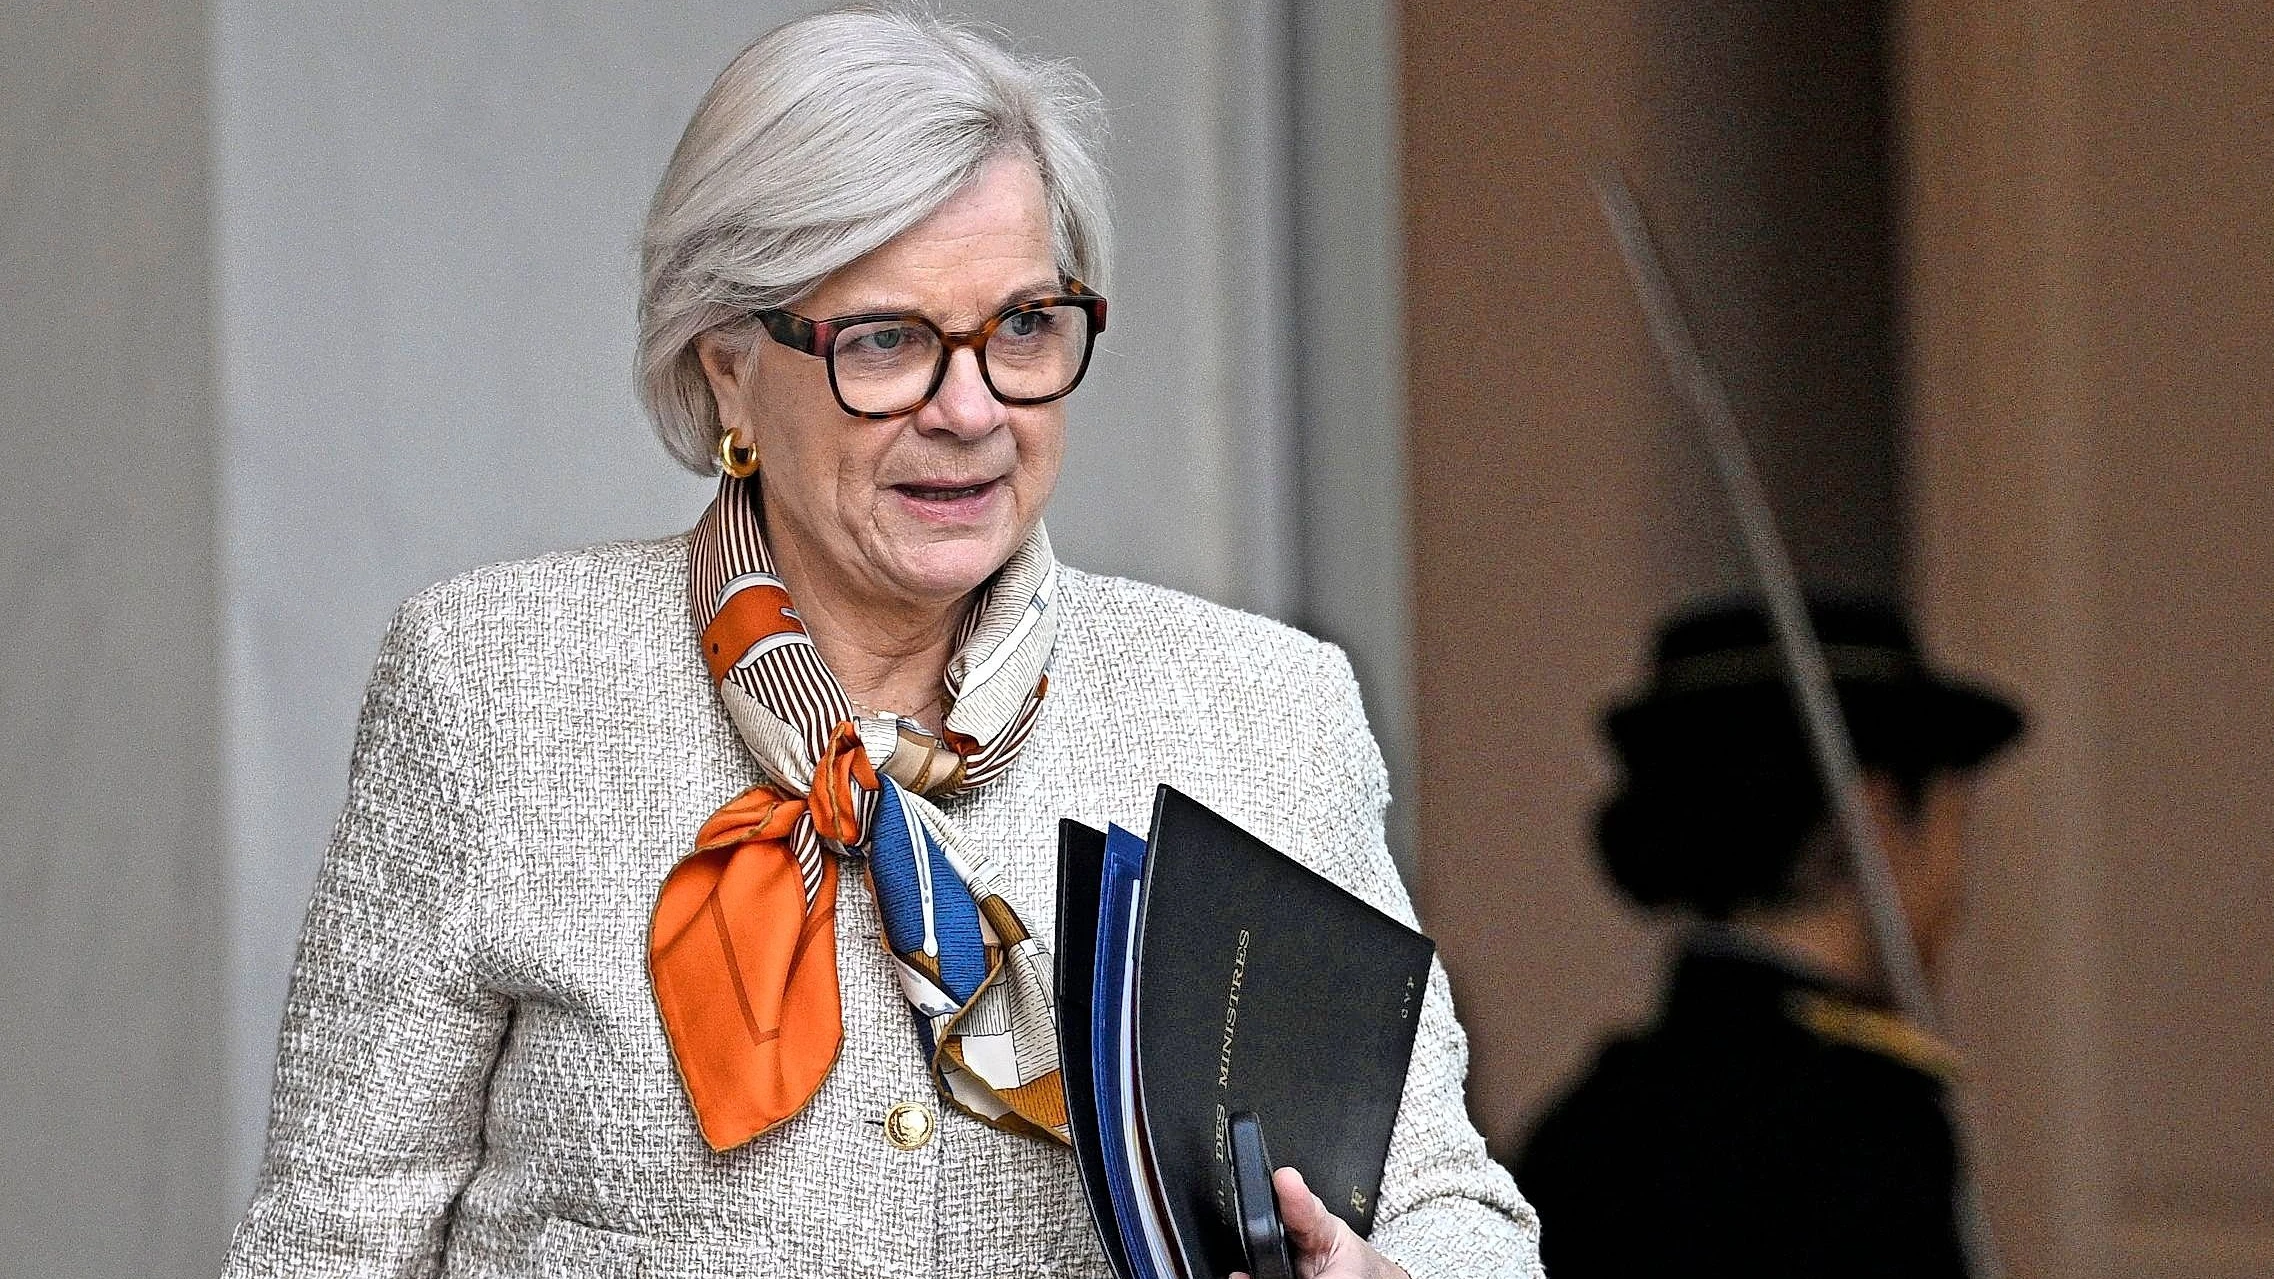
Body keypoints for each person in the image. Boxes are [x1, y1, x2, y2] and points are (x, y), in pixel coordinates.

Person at [219, 7, 1537, 1277]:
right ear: (725, 362)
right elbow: (330, 1243)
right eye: (889, 339)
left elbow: (1445, 1197)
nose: (970, 408)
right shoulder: (494, 688)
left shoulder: (1264, 713)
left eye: (1022, 325)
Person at [1511, 595, 2024, 1278]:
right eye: (1955, 827)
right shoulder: (1865, 1125)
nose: (1957, 887)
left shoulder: (1587, 1127)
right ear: (1873, 820)